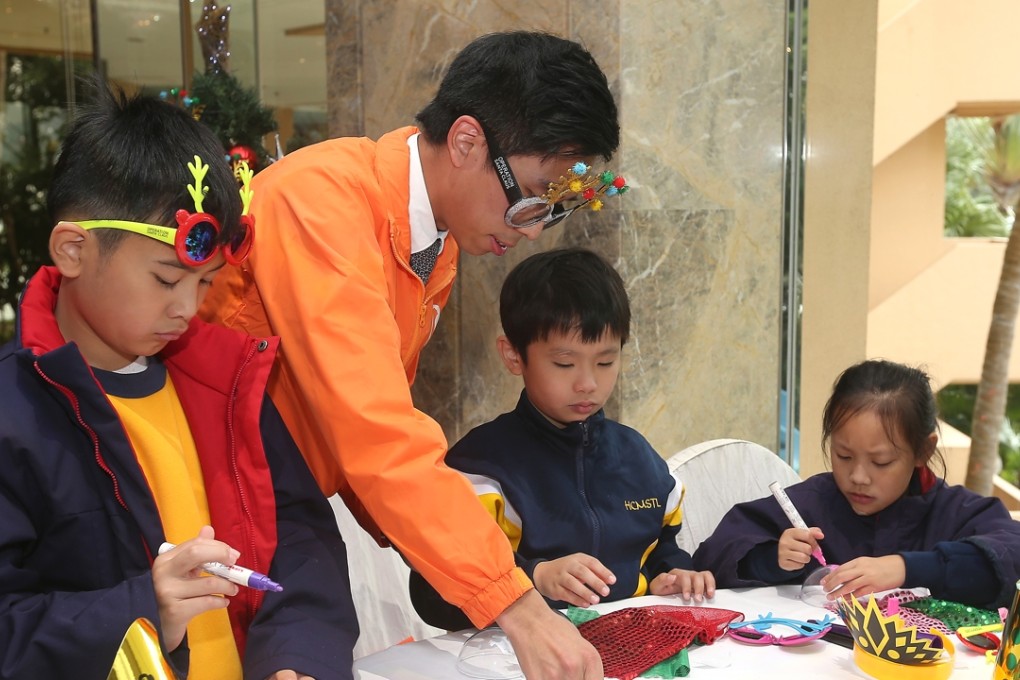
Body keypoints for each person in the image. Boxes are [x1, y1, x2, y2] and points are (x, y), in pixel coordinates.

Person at [200, 31, 621, 678]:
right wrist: (514, 602)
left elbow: (372, 425)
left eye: (556, 210)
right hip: (220, 491)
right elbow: (372, 428)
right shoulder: (322, 201)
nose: (532, 228)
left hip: (280, 490)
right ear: (466, 141)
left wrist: (470, 570)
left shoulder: (438, 243)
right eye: (533, 196)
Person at [0, 80, 357, 680]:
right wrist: (141, 612)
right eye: (168, 280)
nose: (188, 310)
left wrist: (297, 659)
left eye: (206, 284)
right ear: (72, 250)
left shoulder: (223, 382)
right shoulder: (15, 417)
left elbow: (300, 545)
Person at [408, 247, 716, 630]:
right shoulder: (480, 466)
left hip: (632, 650)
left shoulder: (638, 459)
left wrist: (674, 574)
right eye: (564, 364)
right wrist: (533, 577)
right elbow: (431, 594)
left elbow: (660, 549)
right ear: (514, 355)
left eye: (605, 362)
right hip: (516, 659)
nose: (587, 383)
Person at [693, 359, 1020, 610]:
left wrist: (906, 568)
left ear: (923, 450)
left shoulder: (956, 513)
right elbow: (713, 557)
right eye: (844, 455)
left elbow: (1009, 558)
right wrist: (772, 559)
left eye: (881, 462)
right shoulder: (811, 502)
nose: (858, 477)